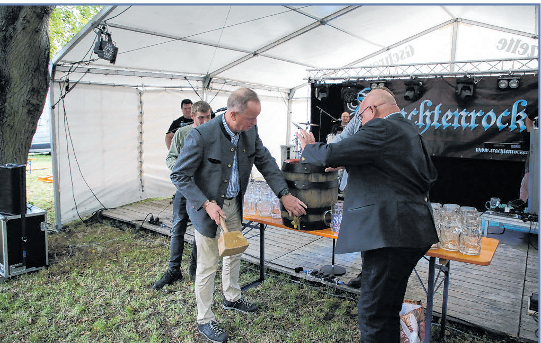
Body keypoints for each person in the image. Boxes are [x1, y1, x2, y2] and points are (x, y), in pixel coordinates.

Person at [297, 88, 439, 343]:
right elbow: (417, 173)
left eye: (360, 118)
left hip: (389, 234)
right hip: (412, 231)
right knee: (387, 308)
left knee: (373, 314)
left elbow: (331, 153)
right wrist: (350, 160)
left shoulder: (381, 128)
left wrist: (308, 147)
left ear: (371, 110)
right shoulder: (409, 130)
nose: (360, 124)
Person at [171, 88, 307, 343]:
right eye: (251, 118)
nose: (255, 123)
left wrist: (284, 194)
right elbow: (179, 175)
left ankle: (231, 297)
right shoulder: (201, 135)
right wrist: (205, 204)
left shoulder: (249, 131)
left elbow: (265, 161)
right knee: (208, 264)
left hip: (234, 205)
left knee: (234, 252)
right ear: (233, 114)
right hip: (208, 210)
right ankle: (205, 319)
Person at [153, 101, 213, 290]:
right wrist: (178, 170)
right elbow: (171, 157)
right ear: (192, 116)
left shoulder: (215, 134)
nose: (204, 121)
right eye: (201, 117)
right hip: (184, 188)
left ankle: (195, 271)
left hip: (204, 191)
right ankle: (173, 270)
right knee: (177, 228)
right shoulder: (182, 133)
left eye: (208, 117)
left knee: (200, 230)